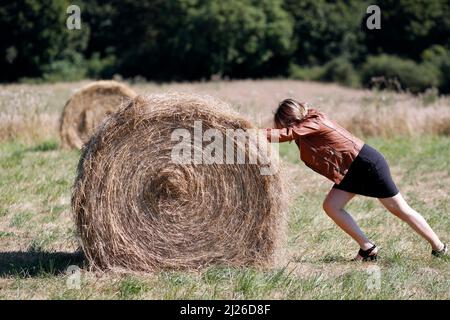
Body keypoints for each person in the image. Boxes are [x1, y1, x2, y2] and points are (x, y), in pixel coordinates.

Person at [265, 98, 447, 261]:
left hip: (365, 165)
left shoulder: (314, 121)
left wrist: (246, 132)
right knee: (331, 206)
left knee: (399, 209)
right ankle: (367, 248)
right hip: (350, 171)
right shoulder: (304, 131)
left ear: (289, 119)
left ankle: (439, 248)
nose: (281, 127)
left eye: (282, 123)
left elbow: (284, 134)